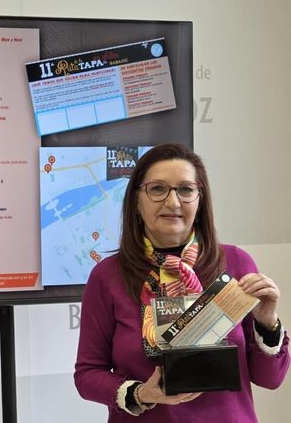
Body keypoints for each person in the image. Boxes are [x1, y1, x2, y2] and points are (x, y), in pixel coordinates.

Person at [74, 143, 289, 422]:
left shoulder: (236, 263)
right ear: (136, 201)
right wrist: (141, 394)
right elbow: (87, 375)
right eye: (157, 189)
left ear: (200, 200)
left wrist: (267, 323)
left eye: (186, 190)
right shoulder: (108, 275)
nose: (173, 202)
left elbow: (270, 379)